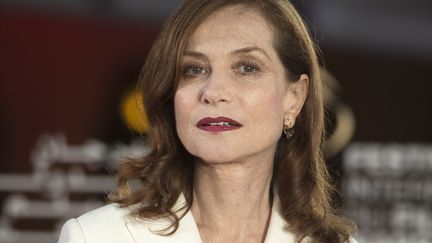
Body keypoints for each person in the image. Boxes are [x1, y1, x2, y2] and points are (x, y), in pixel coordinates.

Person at [58, 0, 357, 242]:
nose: (213, 92)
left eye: (247, 67)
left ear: (294, 98)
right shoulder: (97, 237)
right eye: (195, 69)